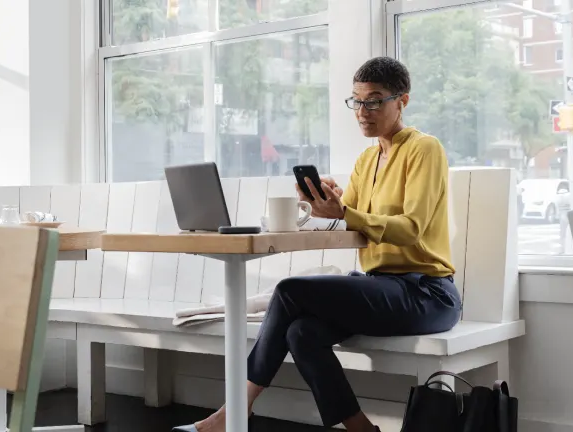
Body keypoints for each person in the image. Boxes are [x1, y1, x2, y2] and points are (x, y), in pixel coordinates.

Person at [185, 57, 462, 432]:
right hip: (383, 288)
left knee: (288, 290)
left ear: (403, 101)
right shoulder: (368, 159)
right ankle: (361, 428)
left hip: (426, 294)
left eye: (375, 100)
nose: (363, 111)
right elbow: (356, 226)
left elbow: (410, 229)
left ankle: (234, 411)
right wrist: (325, 205)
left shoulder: (423, 149)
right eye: (357, 101)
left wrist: (345, 212)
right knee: (302, 333)